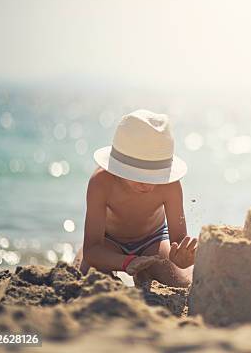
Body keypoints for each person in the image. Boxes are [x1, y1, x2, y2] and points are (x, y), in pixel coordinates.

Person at [74, 109, 196, 287]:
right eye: (140, 176)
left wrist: (183, 260)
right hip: (108, 242)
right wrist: (127, 262)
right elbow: (92, 249)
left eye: (156, 177)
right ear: (118, 168)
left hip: (153, 240)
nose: (149, 185)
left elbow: (177, 243)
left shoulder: (171, 186)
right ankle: (135, 268)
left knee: (182, 282)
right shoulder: (101, 182)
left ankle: (146, 273)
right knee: (84, 277)